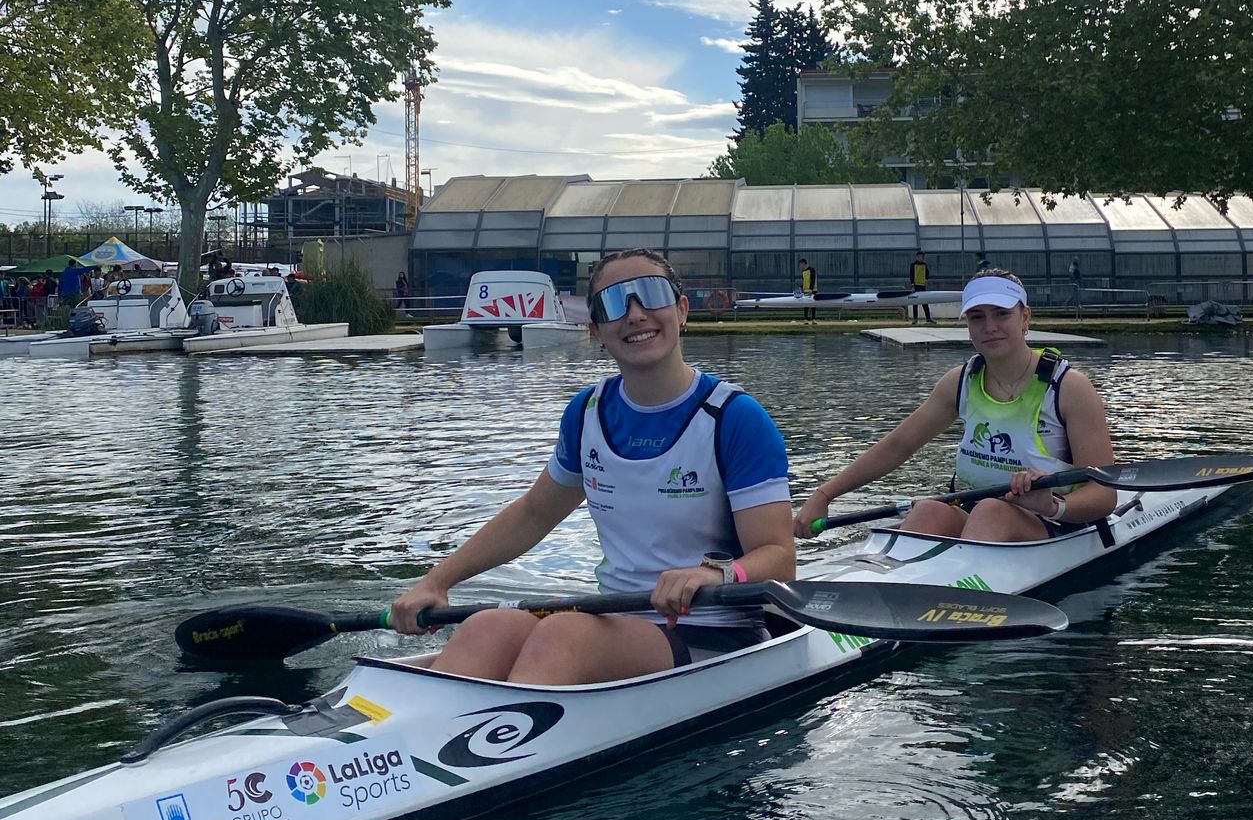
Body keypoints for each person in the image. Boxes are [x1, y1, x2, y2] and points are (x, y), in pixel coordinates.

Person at [389, 249, 796, 682]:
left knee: (564, 634)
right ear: (596, 329)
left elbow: (779, 558)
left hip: (715, 627)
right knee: (487, 626)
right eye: (614, 303)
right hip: (619, 619)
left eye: (651, 294)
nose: (635, 314)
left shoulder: (735, 418)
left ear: (681, 311)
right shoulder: (587, 413)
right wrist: (437, 581)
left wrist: (714, 573)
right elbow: (533, 513)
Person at [793, 271, 1117, 545]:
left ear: (1025, 317)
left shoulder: (1070, 388)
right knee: (927, 510)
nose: (989, 326)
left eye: (1001, 314)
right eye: (977, 317)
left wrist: (1052, 506)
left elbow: (1104, 494)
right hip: (979, 515)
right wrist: (824, 495)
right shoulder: (960, 381)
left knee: (992, 511)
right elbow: (898, 445)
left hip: (1057, 521)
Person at [908, 252, 932, 325]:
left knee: (925, 302)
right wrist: (912, 285)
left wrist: (926, 280)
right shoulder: (913, 265)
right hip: (916, 286)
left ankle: (928, 318)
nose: (919, 258)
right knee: (915, 303)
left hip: (922, 286)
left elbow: (927, 273)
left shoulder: (925, 265)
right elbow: (911, 275)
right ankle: (915, 319)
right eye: (918, 257)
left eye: (921, 257)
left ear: (923, 257)